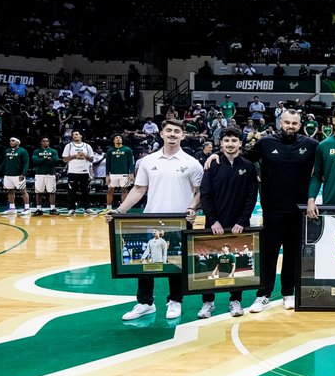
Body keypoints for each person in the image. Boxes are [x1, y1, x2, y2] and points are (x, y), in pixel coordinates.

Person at [107, 119, 203, 322]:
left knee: (177, 263)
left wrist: (192, 208)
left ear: (183, 136)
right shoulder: (148, 161)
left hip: (179, 221)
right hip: (151, 219)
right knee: (146, 261)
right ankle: (145, 303)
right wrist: (119, 211)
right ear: (161, 133)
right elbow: (139, 189)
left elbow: (199, 192)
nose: (172, 134)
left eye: (177, 131)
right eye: (169, 130)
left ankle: (175, 300)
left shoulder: (192, 163)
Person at [234, 108, 318, 314]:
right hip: (272, 210)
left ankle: (288, 292)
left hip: (298, 211)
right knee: (269, 254)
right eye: (287, 122)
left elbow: (330, 155)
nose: (290, 126)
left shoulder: (311, 145)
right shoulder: (266, 143)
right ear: (281, 122)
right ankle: (263, 295)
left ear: (300, 125)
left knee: (292, 255)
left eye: (294, 123)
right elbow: (243, 160)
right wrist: (216, 157)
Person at [197, 128, 258, 319]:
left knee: (236, 260)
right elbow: (205, 195)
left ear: (240, 143)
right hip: (213, 223)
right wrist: (213, 220)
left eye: (234, 140)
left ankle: (235, 300)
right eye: (226, 141)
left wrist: (242, 221)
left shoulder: (248, 166)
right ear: (221, 143)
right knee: (210, 261)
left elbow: (251, 196)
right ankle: (208, 303)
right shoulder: (212, 165)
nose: (230, 144)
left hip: (239, 224)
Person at [62, 130, 96, 216]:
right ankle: (71, 209)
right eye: (73, 135)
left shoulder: (87, 146)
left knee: (86, 191)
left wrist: (85, 156)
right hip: (72, 171)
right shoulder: (69, 146)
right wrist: (74, 156)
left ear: (81, 136)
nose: (74, 136)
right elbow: (64, 159)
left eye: (76, 134)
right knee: (71, 191)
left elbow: (92, 160)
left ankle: (87, 208)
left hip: (84, 171)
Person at [0, 137, 32, 215]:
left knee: (23, 191)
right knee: (10, 190)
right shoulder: (7, 151)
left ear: (18, 142)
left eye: (13, 141)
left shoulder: (23, 151)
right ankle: (12, 208)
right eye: (10, 141)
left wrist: (23, 174)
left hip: (18, 175)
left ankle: (27, 208)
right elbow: (4, 163)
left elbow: (26, 163)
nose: (11, 142)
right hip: (8, 175)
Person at [103, 135, 136, 211]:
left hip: (124, 174)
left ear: (122, 140)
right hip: (113, 174)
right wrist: (107, 175)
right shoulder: (110, 151)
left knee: (124, 190)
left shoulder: (127, 150)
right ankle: (108, 208)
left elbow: (131, 162)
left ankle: (123, 208)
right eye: (116, 138)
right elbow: (107, 164)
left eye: (120, 138)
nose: (118, 139)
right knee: (110, 190)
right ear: (113, 141)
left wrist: (131, 173)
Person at [31, 137, 60, 215]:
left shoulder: (53, 151)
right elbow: (35, 161)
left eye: (47, 141)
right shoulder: (36, 151)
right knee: (38, 192)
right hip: (39, 174)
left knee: (52, 192)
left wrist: (42, 159)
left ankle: (52, 209)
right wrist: (46, 158)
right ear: (41, 142)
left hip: (50, 174)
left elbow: (54, 161)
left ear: (49, 142)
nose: (45, 142)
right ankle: (39, 209)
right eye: (43, 141)